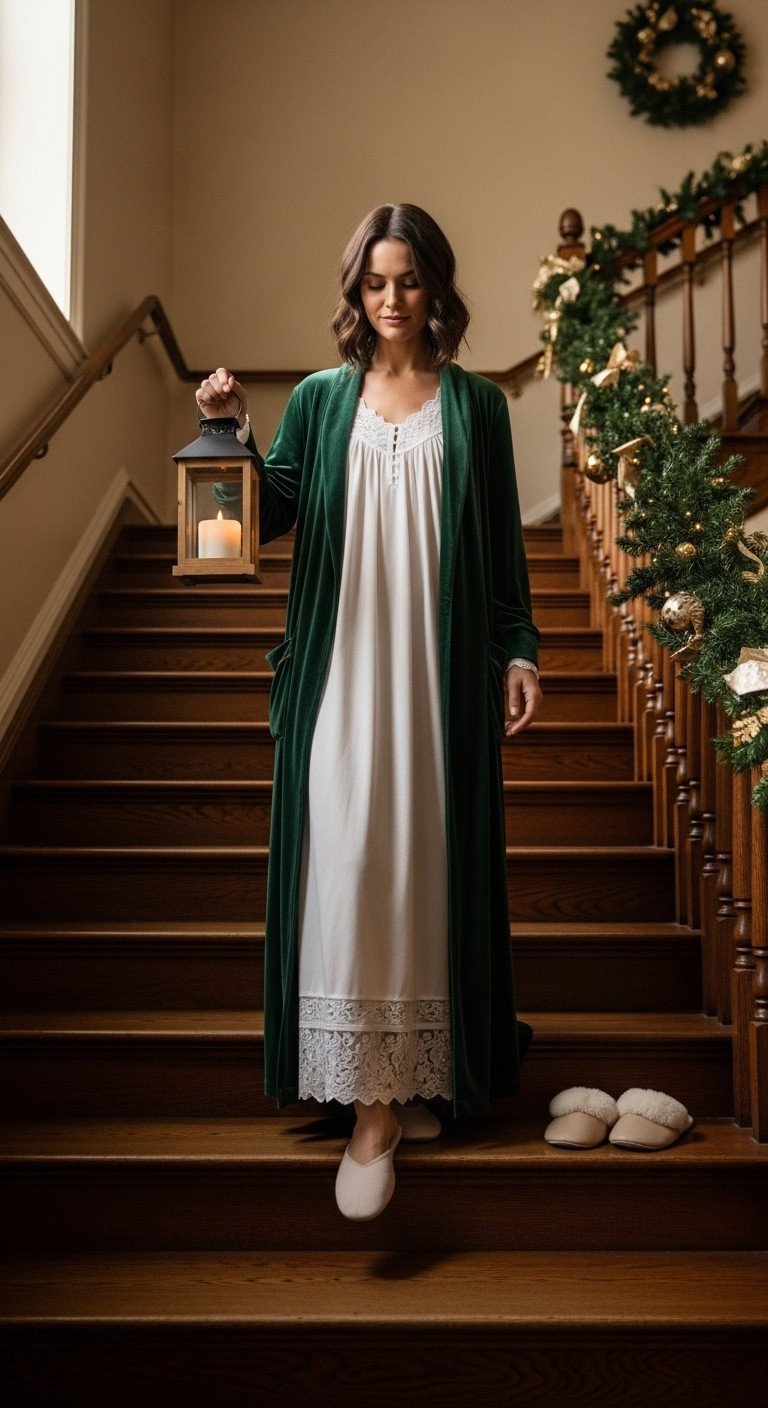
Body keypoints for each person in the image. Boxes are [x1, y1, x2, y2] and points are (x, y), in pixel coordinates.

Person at [195, 203, 543, 1219]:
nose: (390, 300)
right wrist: (230, 431)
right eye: (374, 283)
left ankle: (403, 1081)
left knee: (420, 873)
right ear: (356, 291)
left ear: (437, 287)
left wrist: (517, 651)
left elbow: (501, 557)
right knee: (345, 863)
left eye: (409, 281)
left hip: (437, 680)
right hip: (341, 675)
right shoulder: (316, 399)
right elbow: (272, 511)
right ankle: (374, 1110)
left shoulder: (477, 408)